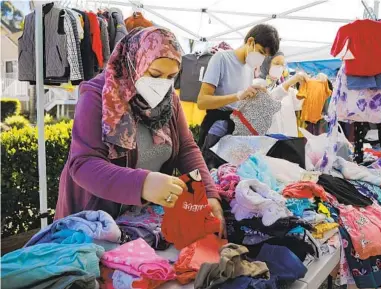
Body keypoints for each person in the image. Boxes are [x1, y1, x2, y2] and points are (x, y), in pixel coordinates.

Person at [55, 27, 226, 236]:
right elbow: (83, 164)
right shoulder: (98, 96)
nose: (162, 84)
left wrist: (208, 193)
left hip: (139, 220)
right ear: (134, 62)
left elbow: (186, 148)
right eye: (155, 74)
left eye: (171, 77)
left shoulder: (169, 99)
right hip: (94, 221)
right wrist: (142, 184)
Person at [197, 24, 280, 152]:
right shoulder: (221, 58)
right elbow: (202, 102)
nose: (261, 58)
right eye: (261, 52)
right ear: (250, 41)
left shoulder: (249, 68)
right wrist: (237, 96)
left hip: (235, 132)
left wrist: (254, 93)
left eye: (265, 56)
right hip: (215, 131)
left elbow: (240, 100)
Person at [255, 52, 308, 137]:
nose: (280, 68)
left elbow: (304, 103)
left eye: (282, 65)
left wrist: (312, 84)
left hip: (290, 142)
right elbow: (269, 101)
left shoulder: (290, 92)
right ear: (266, 64)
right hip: (270, 144)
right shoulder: (255, 86)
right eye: (276, 64)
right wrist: (290, 82)